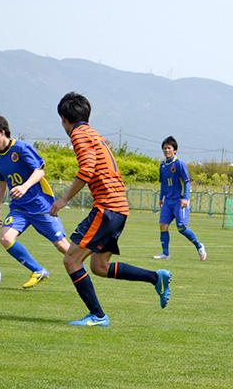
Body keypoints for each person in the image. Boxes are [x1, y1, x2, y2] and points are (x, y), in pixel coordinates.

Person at [49, 92, 172, 327]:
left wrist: (63, 199)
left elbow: (86, 170)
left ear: (64, 119)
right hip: (118, 208)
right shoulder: (94, 134)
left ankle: (98, 316)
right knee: (99, 267)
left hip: (107, 208)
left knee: (71, 261)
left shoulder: (78, 133)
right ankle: (156, 278)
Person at [0, 112, 70, 289]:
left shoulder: (21, 148)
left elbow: (40, 171)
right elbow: (2, 182)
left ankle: (84, 272)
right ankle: (38, 270)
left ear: (2, 132)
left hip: (41, 206)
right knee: (6, 239)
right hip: (19, 208)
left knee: (62, 246)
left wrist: (24, 186)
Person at [153, 136, 206, 261]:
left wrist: (185, 198)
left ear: (175, 151)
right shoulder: (162, 166)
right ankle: (165, 253)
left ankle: (199, 246)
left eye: (169, 148)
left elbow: (187, 182)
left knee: (181, 227)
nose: (166, 150)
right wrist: (161, 198)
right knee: (163, 225)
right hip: (168, 201)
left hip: (179, 201)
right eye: (165, 148)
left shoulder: (179, 164)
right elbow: (163, 184)